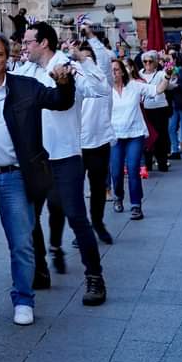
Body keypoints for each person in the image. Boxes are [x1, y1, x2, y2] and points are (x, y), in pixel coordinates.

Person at [0, 33, 75, 326]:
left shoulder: (25, 87)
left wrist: (64, 81)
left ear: (7, 57)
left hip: (14, 177)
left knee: (22, 243)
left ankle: (23, 299)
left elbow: (60, 101)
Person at [16, 22, 109, 305]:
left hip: (65, 156)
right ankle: (40, 269)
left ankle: (95, 278)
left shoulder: (67, 66)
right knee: (29, 218)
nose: (24, 45)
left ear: (44, 43)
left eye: (29, 41)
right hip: (35, 159)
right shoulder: (25, 71)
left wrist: (84, 60)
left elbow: (100, 89)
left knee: (77, 218)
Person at [75, 41, 115, 251]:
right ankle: (82, 229)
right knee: (75, 190)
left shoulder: (103, 78)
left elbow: (105, 58)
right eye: (81, 59)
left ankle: (98, 223)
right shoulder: (74, 79)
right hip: (77, 145)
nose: (84, 62)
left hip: (100, 142)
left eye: (87, 59)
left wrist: (91, 37)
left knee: (98, 188)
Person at [110, 58, 155, 221]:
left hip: (135, 134)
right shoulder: (105, 90)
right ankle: (118, 196)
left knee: (133, 168)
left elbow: (156, 90)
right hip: (115, 136)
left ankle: (136, 205)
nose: (113, 73)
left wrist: (168, 75)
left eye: (115, 69)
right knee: (115, 171)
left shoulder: (134, 86)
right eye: (110, 70)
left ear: (122, 71)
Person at [140, 50, 174, 170]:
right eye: (145, 61)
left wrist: (168, 62)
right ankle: (148, 162)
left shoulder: (160, 73)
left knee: (161, 136)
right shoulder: (139, 74)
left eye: (150, 61)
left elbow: (169, 76)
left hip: (159, 108)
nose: (147, 64)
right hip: (145, 109)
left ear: (155, 62)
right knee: (147, 136)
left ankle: (162, 162)